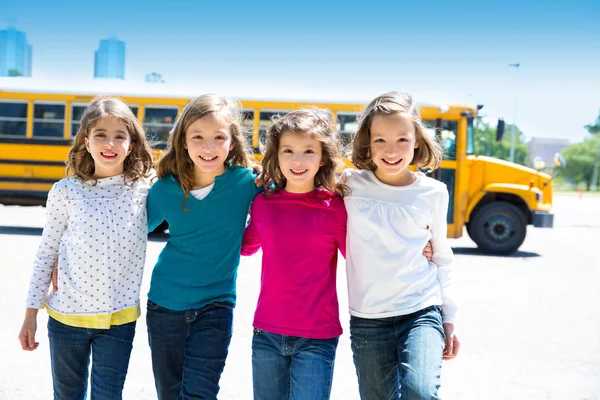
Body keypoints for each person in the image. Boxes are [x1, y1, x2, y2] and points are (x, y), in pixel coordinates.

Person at [18, 96, 154, 400]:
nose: (110, 143)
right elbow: (46, 253)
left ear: (131, 144)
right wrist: (30, 314)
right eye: (101, 135)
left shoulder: (144, 190)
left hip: (118, 322)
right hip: (67, 321)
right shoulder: (65, 192)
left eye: (120, 136)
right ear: (87, 142)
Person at [342, 91, 460, 400]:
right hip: (368, 318)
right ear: (368, 141)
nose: (391, 150)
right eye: (380, 140)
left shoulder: (433, 192)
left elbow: (442, 257)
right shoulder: (349, 184)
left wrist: (449, 317)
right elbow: (302, 185)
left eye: (402, 140)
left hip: (421, 310)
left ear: (417, 140)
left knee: (420, 392)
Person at [145, 94, 262, 400]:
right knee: (170, 394)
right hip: (164, 305)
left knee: (200, 393)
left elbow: (288, 199)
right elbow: (129, 232)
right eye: (198, 137)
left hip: (216, 305)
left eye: (218, 138)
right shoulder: (166, 189)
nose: (208, 147)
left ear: (232, 143)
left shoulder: (247, 183)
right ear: (183, 141)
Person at [241, 107, 348, 400]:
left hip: (317, 336)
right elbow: (245, 247)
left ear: (323, 156)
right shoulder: (263, 204)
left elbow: (361, 257)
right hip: (267, 332)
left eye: (308, 151)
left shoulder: (336, 208)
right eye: (288, 150)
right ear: (275, 155)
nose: (297, 160)